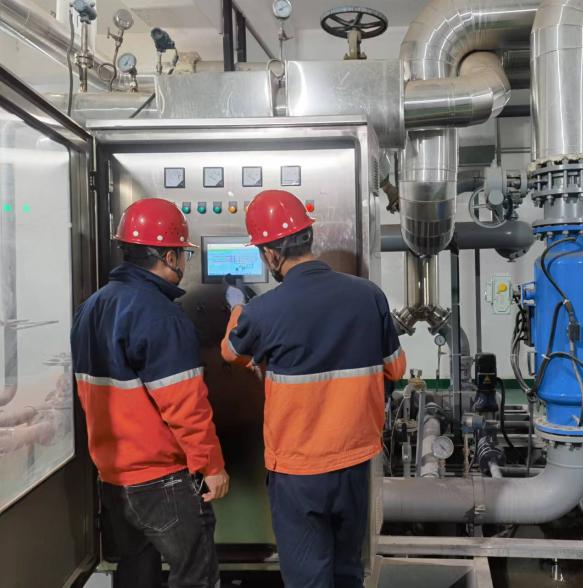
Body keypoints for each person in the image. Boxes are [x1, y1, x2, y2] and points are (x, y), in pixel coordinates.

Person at [221, 189, 406, 588]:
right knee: (347, 571)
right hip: (355, 462)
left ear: (270, 255)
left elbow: (231, 352)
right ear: (309, 238)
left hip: (298, 471)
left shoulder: (262, 311)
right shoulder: (369, 295)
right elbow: (395, 368)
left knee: (309, 578)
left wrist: (238, 305)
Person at [71, 198, 228, 588]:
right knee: (195, 576)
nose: (184, 263)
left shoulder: (91, 307)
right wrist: (211, 466)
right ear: (169, 256)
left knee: (136, 574)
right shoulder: (160, 314)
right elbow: (186, 406)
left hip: (113, 477)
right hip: (161, 481)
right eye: (183, 255)